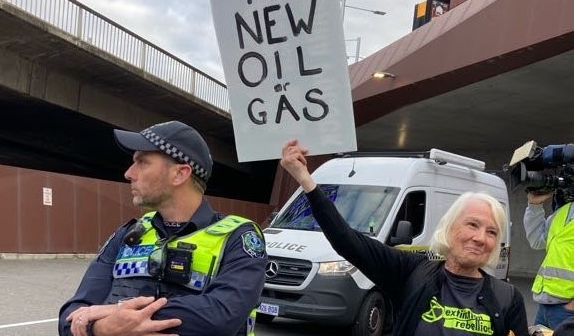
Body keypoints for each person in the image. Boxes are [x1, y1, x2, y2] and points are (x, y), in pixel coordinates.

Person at [280, 139, 528, 336]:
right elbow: (346, 240)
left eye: (491, 232)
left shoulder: (507, 297)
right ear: (450, 227)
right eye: (472, 224)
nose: (480, 237)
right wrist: (305, 179)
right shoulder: (412, 272)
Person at [58, 121, 267, 336]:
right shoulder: (128, 234)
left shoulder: (239, 237)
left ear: (180, 174)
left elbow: (221, 316)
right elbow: (71, 317)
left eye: (142, 162)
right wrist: (102, 328)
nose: (129, 173)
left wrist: (119, 313)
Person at [524, 190, 574, 330]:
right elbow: (537, 240)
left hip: (568, 310)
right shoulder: (563, 211)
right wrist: (534, 206)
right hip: (545, 305)